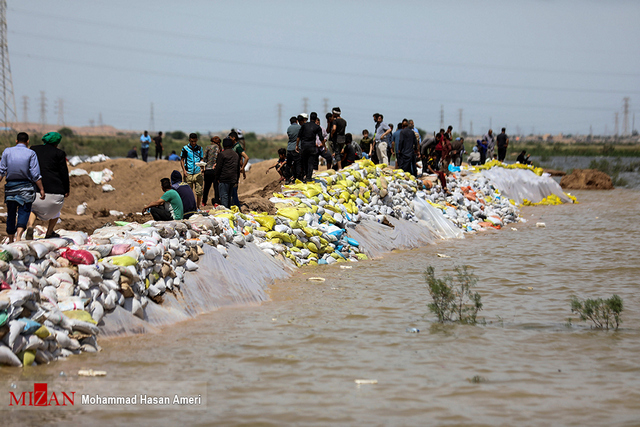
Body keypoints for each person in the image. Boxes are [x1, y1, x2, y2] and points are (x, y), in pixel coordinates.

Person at [0, 132, 45, 242]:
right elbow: (35, 174)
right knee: (24, 211)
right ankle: (19, 236)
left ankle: (11, 238)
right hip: (26, 187)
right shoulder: (31, 153)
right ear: (27, 141)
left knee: (11, 212)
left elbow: (1, 171)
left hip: (10, 187)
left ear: (16, 141)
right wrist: (41, 188)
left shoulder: (7, 151)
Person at [26, 132, 70, 240]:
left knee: (33, 209)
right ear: (57, 142)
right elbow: (64, 173)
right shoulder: (59, 153)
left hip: (36, 191)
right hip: (56, 192)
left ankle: (30, 226)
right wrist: (66, 189)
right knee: (56, 212)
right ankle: (49, 232)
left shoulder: (34, 149)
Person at [213, 138, 241, 208]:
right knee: (229, 196)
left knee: (224, 196)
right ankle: (229, 211)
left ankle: (226, 212)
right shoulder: (236, 155)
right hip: (233, 179)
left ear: (224, 145)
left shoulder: (222, 154)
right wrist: (236, 180)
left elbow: (218, 167)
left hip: (224, 178)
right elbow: (238, 168)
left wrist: (216, 178)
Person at [296, 112, 324, 182]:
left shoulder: (304, 125)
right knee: (311, 162)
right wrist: (325, 146)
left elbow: (299, 136)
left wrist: (297, 145)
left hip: (304, 146)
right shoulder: (317, 127)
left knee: (305, 161)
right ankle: (309, 177)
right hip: (312, 146)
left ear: (310, 118)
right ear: (315, 119)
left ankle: (305, 176)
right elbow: (321, 138)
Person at [180, 133, 204, 208]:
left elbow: (201, 159)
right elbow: (182, 160)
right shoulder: (185, 149)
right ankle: (190, 207)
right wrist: (184, 170)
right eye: (192, 141)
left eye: (195, 141)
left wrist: (202, 167)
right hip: (188, 173)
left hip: (197, 172)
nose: (193, 143)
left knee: (199, 191)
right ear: (189, 140)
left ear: (197, 140)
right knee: (188, 192)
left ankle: (198, 207)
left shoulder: (200, 148)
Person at [229, 130, 248, 206]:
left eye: (230, 138)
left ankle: (237, 206)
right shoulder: (234, 147)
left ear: (233, 138)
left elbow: (246, 157)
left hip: (235, 171)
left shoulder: (237, 147)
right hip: (233, 170)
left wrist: (242, 168)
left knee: (234, 190)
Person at [202, 136, 221, 206]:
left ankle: (204, 201)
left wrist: (203, 167)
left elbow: (204, 158)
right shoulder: (219, 149)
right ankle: (216, 202)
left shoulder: (208, 147)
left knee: (206, 187)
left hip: (208, 170)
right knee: (216, 187)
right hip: (216, 171)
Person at [286, 116, 301, 182]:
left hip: (289, 148)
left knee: (288, 164)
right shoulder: (299, 128)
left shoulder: (289, 128)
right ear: (297, 121)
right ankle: (297, 178)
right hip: (296, 148)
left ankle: (287, 178)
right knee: (297, 164)